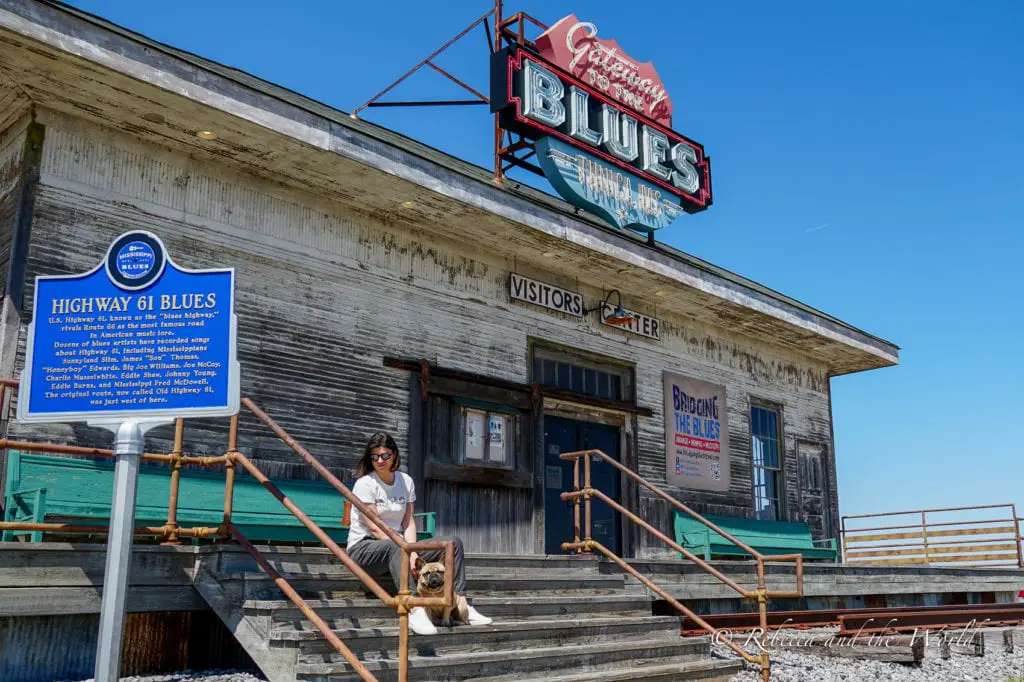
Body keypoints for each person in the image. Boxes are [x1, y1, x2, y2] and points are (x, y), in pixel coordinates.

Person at [346, 431, 492, 635]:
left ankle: (461, 604)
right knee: (395, 546)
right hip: (365, 548)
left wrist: (413, 552)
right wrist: (406, 549)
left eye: (385, 455)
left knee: (453, 543)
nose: (380, 460)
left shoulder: (405, 481)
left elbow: (408, 522)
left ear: (394, 455)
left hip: (398, 546)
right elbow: (374, 527)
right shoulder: (365, 484)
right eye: (375, 456)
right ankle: (415, 608)